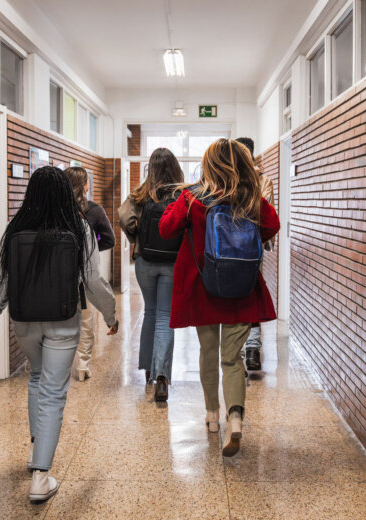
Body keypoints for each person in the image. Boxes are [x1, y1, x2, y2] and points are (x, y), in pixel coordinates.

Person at [0, 167, 118, 503]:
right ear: (67, 194)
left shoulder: (17, 228)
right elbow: (93, 281)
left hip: (24, 322)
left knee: (37, 379)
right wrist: (110, 314)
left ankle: (35, 451)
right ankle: (41, 476)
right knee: (54, 392)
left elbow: (1, 280)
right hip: (63, 322)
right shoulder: (78, 226)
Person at [159, 139, 280, 456]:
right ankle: (235, 418)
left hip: (204, 289)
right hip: (241, 289)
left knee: (208, 352)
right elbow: (272, 226)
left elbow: (166, 229)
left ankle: (212, 415)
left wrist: (187, 204)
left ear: (209, 165)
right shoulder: (250, 198)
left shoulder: (193, 197)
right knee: (232, 358)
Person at [119, 148, 184, 402]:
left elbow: (124, 218)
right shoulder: (181, 194)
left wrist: (136, 237)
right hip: (172, 262)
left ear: (150, 168)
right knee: (166, 316)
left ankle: (147, 370)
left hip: (145, 261)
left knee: (150, 312)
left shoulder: (140, 193)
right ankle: (162, 377)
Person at [63, 166, 115, 382]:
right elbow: (109, 239)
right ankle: (82, 366)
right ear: (85, 186)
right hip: (84, 276)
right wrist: (92, 246)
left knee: (62, 323)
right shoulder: (94, 210)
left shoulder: (56, 210)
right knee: (85, 320)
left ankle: (60, 365)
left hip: (58, 277)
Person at [235, 137, 275, 373]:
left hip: (226, 249)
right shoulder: (263, 181)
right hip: (253, 247)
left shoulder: (224, 180)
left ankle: (243, 349)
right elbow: (268, 213)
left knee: (233, 298)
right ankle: (251, 349)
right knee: (251, 294)